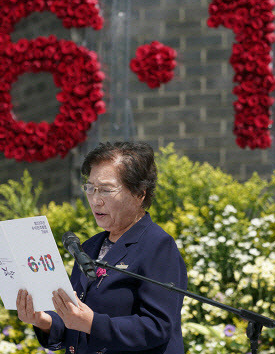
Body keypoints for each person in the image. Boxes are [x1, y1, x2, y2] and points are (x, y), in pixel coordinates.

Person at [16, 141, 187, 354]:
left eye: (106, 190)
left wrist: (93, 323)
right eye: (90, 188)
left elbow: (158, 327)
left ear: (139, 193)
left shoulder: (157, 245)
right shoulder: (89, 247)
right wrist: (43, 320)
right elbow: (75, 327)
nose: (95, 200)